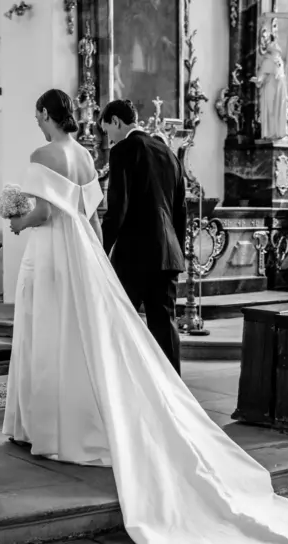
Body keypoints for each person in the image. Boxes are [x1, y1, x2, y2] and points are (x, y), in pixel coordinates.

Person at [3, 88, 288, 544]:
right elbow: (141, 204)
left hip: (96, 254)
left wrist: (17, 219)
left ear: (47, 114)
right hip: (158, 249)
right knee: (137, 329)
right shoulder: (129, 152)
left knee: (72, 335)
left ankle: (62, 417)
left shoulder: (77, 151)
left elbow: (77, 211)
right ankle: (164, 383)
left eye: (37, 114)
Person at [99, 99, 189, 374]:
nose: (108, 138)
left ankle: (124, 383)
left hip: (134, 254)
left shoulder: (123, 150)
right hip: (167, 253)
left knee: (119, 320)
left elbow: (118, 207)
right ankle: (174, 392)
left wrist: (100, 248)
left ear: (116, 121)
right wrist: (178, 250)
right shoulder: (168, 152)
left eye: (107, 131)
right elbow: (180, 210)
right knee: (165, 324)